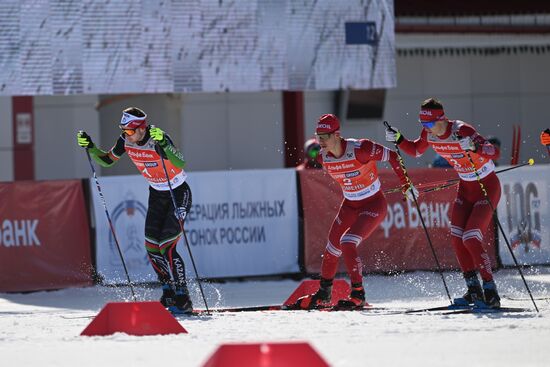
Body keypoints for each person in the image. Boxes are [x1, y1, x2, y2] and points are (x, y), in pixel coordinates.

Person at [385, 98, 502, 308]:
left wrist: (475, 147)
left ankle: (490, 289)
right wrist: (399, 138)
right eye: (422, 124)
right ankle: (473, 289)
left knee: (471, 238)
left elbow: (495, 151)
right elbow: (415, 150)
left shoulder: (461, 130)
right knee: (457, 238)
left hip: (487, 186)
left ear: (442, 119)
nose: (427, 129)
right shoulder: (429, 133)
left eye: (429, 124)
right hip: (466, 189)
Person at [77, 107, 193, 313]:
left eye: (129, 131)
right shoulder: (125, 141)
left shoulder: (157, 138)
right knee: (151, 246)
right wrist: (92, 147)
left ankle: (183, 295)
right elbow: (106, 160)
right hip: (157, 194)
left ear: (141, 128)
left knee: (167, 245)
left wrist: (165, 144)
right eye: (123, 130)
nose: (126, 135)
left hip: (177, 192)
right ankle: (168, 291)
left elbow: (180, 161)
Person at [294, 114, 413, 309]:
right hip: (350, 204)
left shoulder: (361, 149)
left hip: (373, 204)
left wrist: (406, 184)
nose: (320, 141)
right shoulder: (323, 158)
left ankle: (359, 294)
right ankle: (324, 294)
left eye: (324, 136)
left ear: (337, 135)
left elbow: (392, 155)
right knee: (332, 246)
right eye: (318, 136)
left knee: (347, 242)